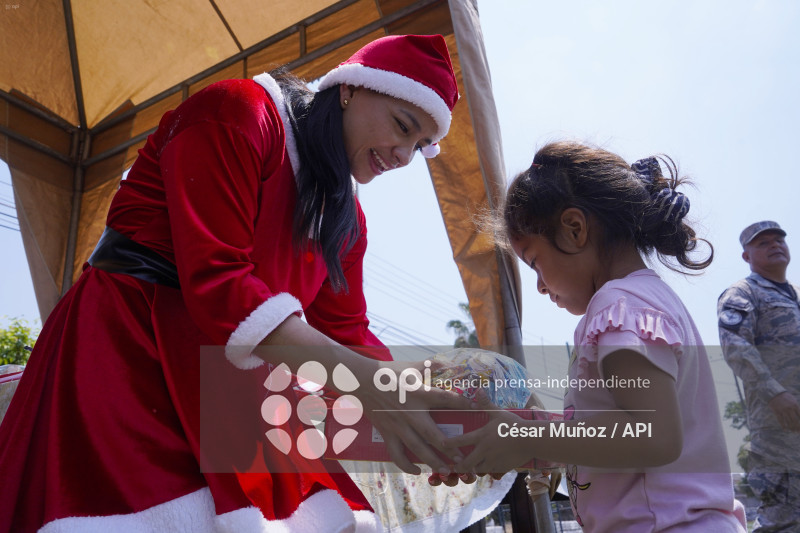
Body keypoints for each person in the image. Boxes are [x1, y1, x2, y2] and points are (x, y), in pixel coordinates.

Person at [0, 34, 472, 532]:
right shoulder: (238, 111)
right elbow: (219, 284)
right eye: (403, 126)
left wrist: (420, 405)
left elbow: (348, 332)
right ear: (351, 88)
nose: (404, 155)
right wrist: (372, 389)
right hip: (129, 344)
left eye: (421, 146)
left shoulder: (345, 219)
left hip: (228, 383)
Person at [441, 141, 747, 531]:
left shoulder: (618, 307)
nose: (539, 286)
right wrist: (522, 440)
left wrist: (528, 436)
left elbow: (653, 435)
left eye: (535, 263)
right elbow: (619, 434)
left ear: (574, 229)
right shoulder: (644, 301)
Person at [717, 221, 800, 532]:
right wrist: (774, 393)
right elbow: (736, 347)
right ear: (746, 256)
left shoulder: (796, 294)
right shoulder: (744, 292)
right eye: (763, 242)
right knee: (785, 515)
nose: (775, 245)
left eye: (779, 240)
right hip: (779, 425)